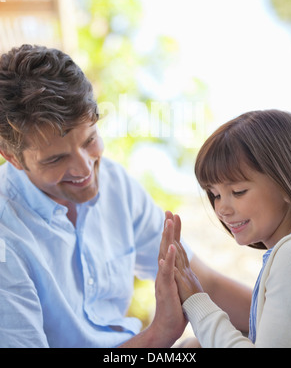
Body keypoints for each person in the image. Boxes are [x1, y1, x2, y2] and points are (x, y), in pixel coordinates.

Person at [0, 44, 251, 348]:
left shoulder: (116, 185)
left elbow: (205, 285)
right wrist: (158, 335)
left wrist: (283, 313)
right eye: (55, 160)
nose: (84, 169)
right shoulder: (7, 238)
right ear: (12, 157)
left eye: (90, 140)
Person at [158, 109, 291, 348]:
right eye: (214, 195)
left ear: (286, 182)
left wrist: (195, 300)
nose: (222, 209)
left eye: (238, 192)